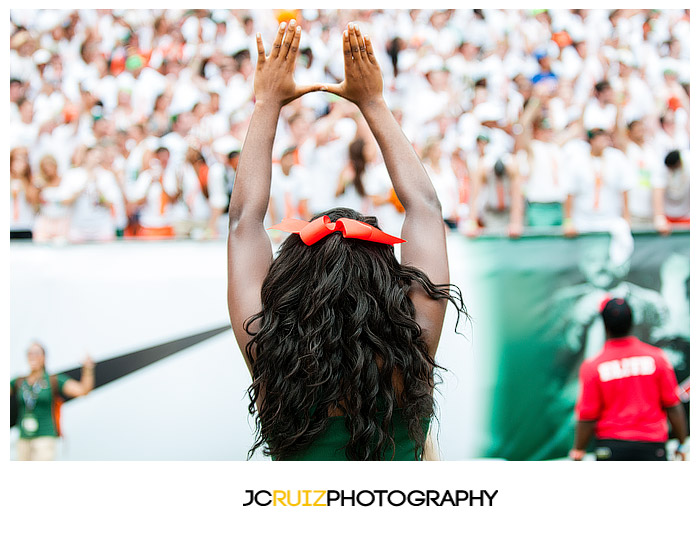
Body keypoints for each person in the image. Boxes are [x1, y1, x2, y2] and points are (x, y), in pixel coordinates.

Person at [227, 21, 466, 461]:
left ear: (290, 282)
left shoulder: (270, 351)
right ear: (387, 281)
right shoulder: (414, 341)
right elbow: (427, 208)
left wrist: (267, 104)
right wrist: (372, 102)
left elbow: (244, 221)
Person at [570, 298, 688, 461]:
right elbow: (673, 405)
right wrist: (682, 444)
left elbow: (587, 415)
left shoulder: (593, 366)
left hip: (611, 448)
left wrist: (578, 450)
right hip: (652, 446)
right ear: (632, 321)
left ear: (604, 325)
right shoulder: (656, 358)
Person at [10, 342, 95, 461]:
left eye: (36, 353)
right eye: (29, 353)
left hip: (45, 438)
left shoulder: (53, 380)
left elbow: (83, 390)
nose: (32, 356)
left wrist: (88, 369)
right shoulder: (19, 382)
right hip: (23, 438)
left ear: (44, 357)